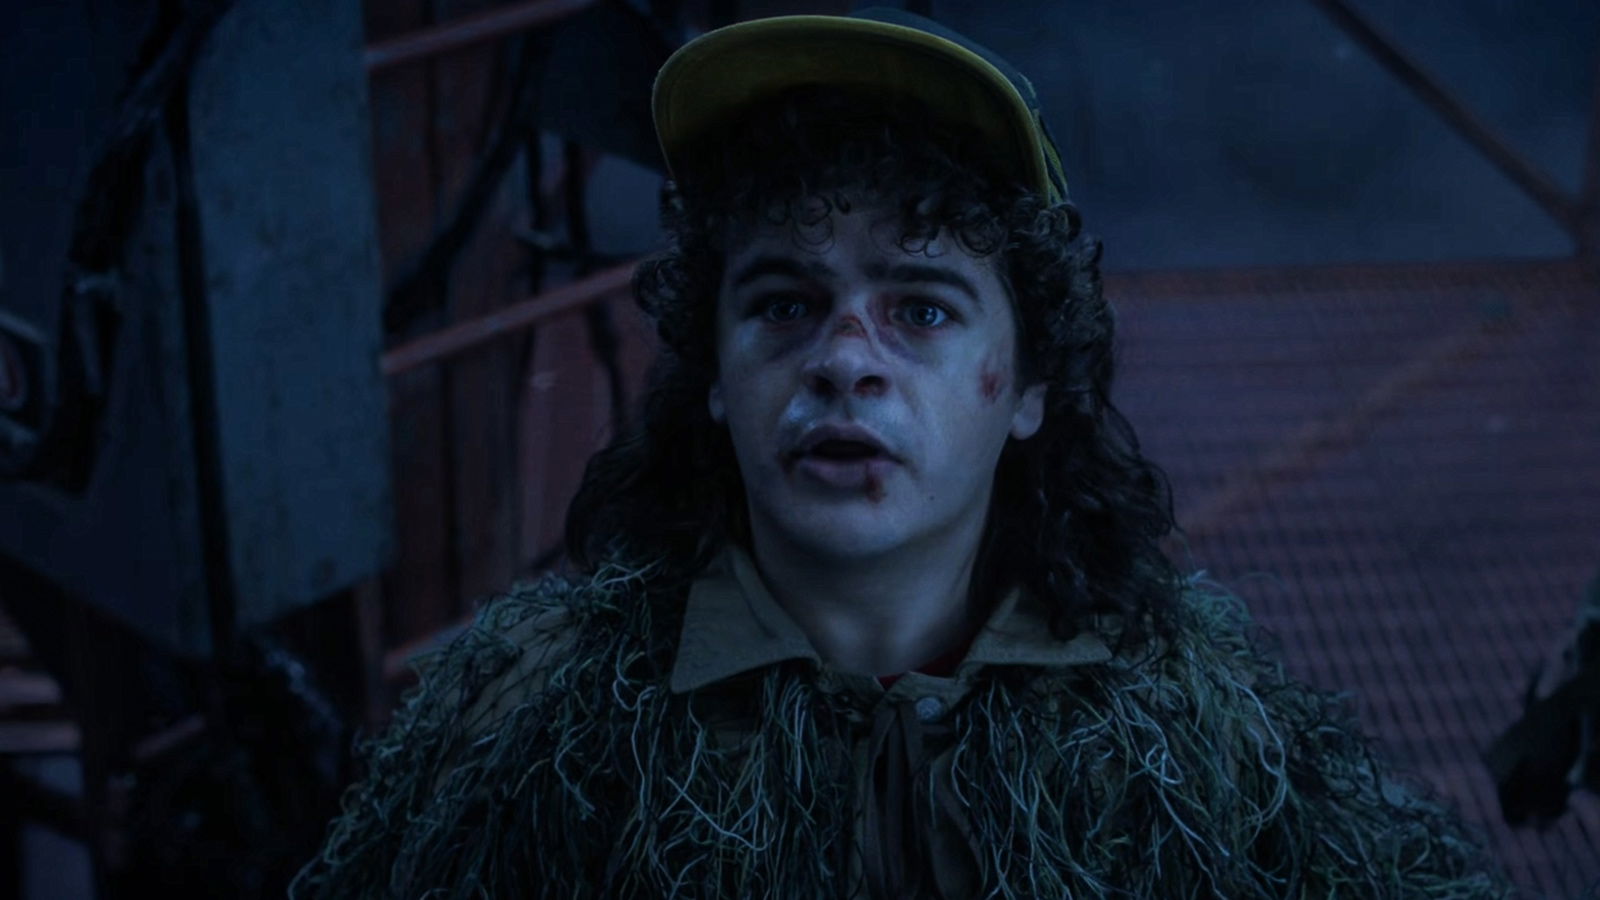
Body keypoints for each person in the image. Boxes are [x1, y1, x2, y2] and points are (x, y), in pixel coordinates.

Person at [293, 9, 1511, 897]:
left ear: (1025, 388)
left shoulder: (1199, 736)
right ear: (713, 379)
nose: (843, 359)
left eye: (921, 309)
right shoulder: (532, 733)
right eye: (782, 303)